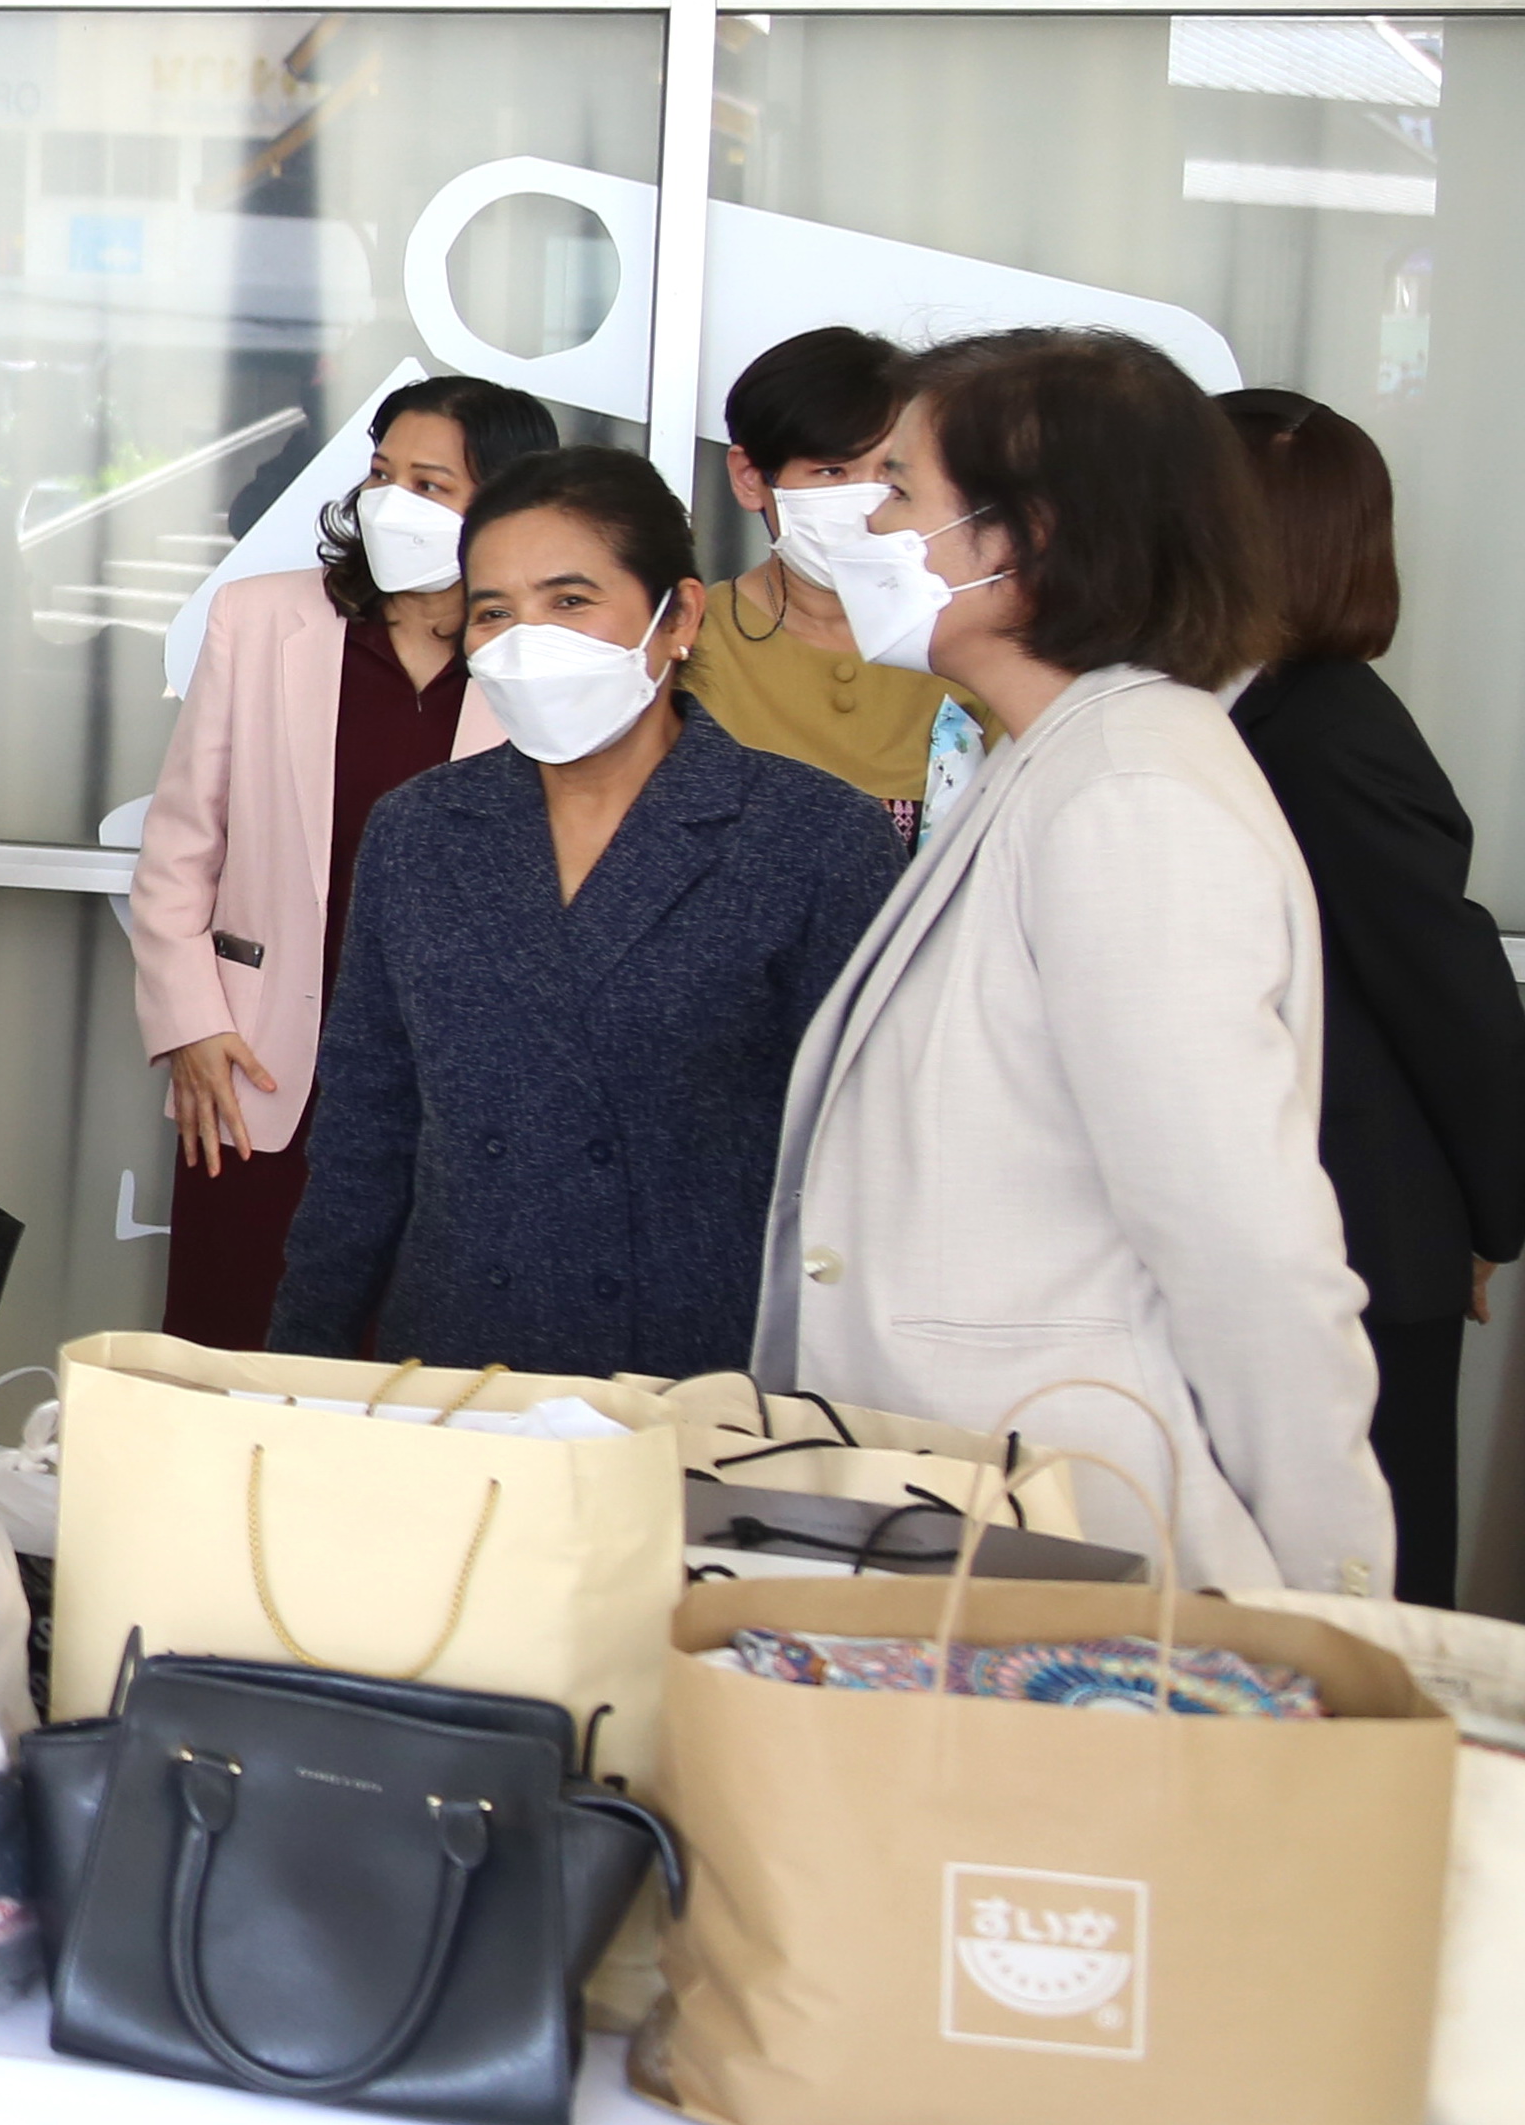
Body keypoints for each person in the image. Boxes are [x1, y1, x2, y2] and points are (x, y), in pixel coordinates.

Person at [755, 330, 1392, 1595]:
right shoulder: (1051, 756)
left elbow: (1244, 1244)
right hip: (968, 1504)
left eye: (899, 489)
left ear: (1025, 534)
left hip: (1074, 1519)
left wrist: (1328, 1598)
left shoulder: (1131, 795)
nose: (866, 524)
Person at [269, 450, 903, 1374]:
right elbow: (367, 1125)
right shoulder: (421, 830)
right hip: (460, 1361)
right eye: (494, 611)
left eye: (570, 600)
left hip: (700, 1373)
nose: (527, 639)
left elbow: (866, 1157)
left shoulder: (810, 836)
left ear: (678, 616)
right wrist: (300, 1361)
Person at [122, 373, 556, 1348]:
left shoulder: (546, 654)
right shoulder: (263, 619)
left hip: (458, 1086)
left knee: (416, 1363)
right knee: (236, 1346)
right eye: (382, 473)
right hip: (261, 1068)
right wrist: (192, 1022)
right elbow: (182, 845)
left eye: (431, 484)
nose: (392, 501)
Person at [1218, 387, 1525, 1604]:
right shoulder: (1239, 707)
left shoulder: (1326, 727)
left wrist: (1487, 1216)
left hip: (1364, 1234)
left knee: (1369, 1612)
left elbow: (1448, 990)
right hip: (1307, 1229)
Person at [680, 323, 979, 847]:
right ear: (750, 478)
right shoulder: (682, 646)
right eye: (833, 472)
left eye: (891, 475)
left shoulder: (974, 649)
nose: (868, 503)